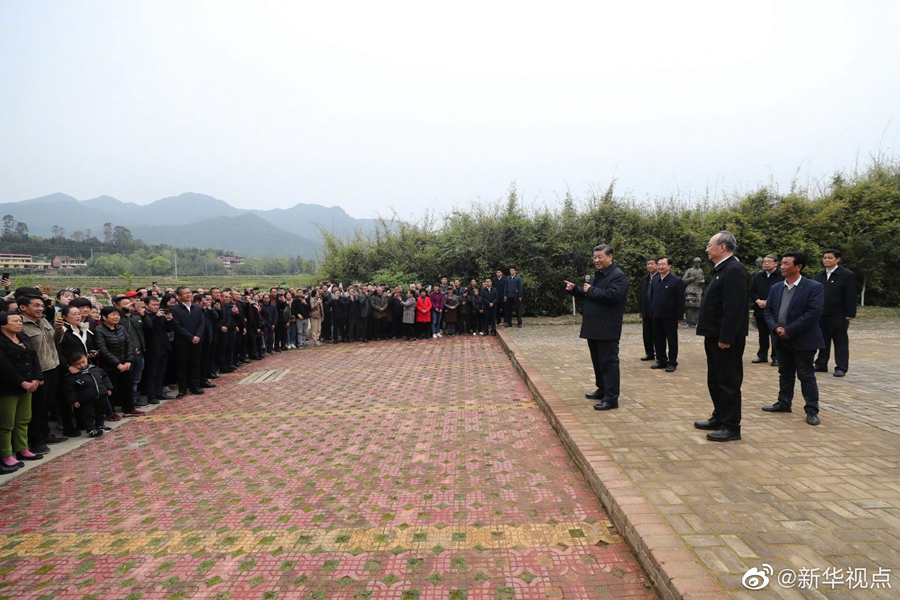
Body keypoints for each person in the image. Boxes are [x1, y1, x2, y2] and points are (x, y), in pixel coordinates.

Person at [693, 231, 749, 442]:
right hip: (713, 334)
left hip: (725, 338)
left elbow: (734, 308)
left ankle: (731, 426)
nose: (707, 249)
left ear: (722, 247)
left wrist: (726, 337)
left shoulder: (734, 269)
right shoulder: (721, 269)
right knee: (715, 380)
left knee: (728, 382)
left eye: (710, 245)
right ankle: (719, 416)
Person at [762, 252, 825, 426]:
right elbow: (768, 311)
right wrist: (775, 327)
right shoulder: (776, 288)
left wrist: (789, 330)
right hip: (781, 338)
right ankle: (784, 402)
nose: (782, 267)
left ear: (798, 267)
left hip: (803, 339)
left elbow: (813, 313)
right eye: (782, 263)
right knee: (785, 373)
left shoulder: (813, 287)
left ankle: (812, 410)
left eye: (786, 264)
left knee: (806, 375)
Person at [564, 244, 629, 411]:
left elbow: (613, 296)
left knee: (609, 363)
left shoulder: (618, 276)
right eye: (594, 257)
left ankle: (611, 398)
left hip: (607, 328)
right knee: (598, 362)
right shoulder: (598, 275)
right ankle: (602, 389)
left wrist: (591, 290)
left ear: (610, 257)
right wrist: (575, 290)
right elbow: (589, 294)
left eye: (600, 257)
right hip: (593, 327)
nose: (596, 260)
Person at [19, 294, 66, 450]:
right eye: (36, 305)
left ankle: (45, 434)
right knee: (36, 407)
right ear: (23, 307)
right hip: (38, 372)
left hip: (52, 367)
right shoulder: (21, 325)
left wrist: (59, 329)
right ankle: (36, 440)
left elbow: (56, 341)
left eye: (41, 305)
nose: (41, 308)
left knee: (47, 405)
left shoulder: (44, 320)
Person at [0, 312, 44, 474]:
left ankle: (22, 448)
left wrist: (37, 378)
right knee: (7, 423)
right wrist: (21, 382)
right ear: (3, 324)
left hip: (29, 384)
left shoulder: (23, 338)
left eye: (20, 321)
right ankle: (6, 454)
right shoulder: (2, 342)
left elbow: (34, 358)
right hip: (9, 387)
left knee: (23, 419)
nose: (19, 323)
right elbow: (4, 366)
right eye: (14, 321)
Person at [814, 249, 857, 377]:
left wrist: (850, 313)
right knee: (822, 340)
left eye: (829, 258)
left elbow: (851, 295)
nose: (826, 260)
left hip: (839, 314)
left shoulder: (846, 275)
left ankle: (841, 367)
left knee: (840, 341)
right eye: (824, 258)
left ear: (838, 259)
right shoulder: (820, 275)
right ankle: (821, 363)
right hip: (822, 314)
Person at [94, 306, 143, 417]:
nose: (116, 317)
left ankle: (129, 408)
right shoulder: (99, 330)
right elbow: (102, 349)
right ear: (104, 317)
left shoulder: (121, 328)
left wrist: (128, 361)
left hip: (125, 363)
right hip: (109, 365)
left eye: (118, 315)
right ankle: (110, 412)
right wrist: (117, 364)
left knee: (127, 386)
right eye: (113, 315)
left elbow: (129, 344)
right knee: (112, 389)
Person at [62, 352, 113, 438]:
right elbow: (70, 390)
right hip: (86, 399)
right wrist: (74, 400)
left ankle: (100, 425)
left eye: (83, 362)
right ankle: (90, 429)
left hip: (100, 395)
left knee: (101, 412)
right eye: (77, 364)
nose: (81, 365)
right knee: (88, 415)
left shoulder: (95, 369)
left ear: (86, 358)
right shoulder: (71, 376)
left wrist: (108, 388)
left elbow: (104, 377)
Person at [650, 256, 685, 372]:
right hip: (657, 315)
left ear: (669, 266)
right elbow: (652, 297)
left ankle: (672, 362)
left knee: (671, 340)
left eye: (663, 264)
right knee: (658, 339)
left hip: (670, 316)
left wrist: (680, 316)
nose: (660, 266)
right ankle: (661, 360)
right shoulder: (655, 280)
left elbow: (680, 300)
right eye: (659, 264)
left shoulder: (676, 281)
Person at [170, 286, 205, 398]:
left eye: (189, 292)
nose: (188, 295)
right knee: (182, 366)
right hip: (182, 342)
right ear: (179, 296)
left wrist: (197, 336)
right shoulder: (175, 310)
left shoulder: (197, 307)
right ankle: (182, 389)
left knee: (195, 364)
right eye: (185, 293)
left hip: (197, 341)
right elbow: (177, 326)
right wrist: (190, 337)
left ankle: (195, 386)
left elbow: (202, 323)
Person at [750, 254, 784, 366]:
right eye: (765, 261)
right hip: (760, 309)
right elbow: (752, 291)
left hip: (775, 310)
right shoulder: (758, 276)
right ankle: (762, 355)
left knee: (775, 334)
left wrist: (768, 302)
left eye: (769, 261)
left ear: (776, 263)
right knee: (762, 334)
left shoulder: (781, 276)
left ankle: (776, 357)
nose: (766, 263)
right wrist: (758, 301)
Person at [638, 258, 658, 361]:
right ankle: (649, 353)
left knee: (657, 334)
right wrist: (640, 309)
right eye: (648, 264)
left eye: (652, 264)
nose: (649, 266)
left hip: (656, 311)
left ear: (657, 265)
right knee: (646, 333)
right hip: (646, 311)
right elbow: (642, 294)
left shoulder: (660, 278)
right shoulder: (645, 278)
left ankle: (659, 354)